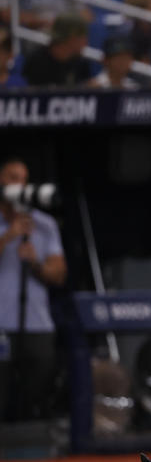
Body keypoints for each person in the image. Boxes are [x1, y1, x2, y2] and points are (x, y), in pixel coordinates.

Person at [0, 157, 67, 421]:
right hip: (1, 325)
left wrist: (37, 264)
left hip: (37, 323)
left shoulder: (44, 224)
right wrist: (9, 236)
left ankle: (34, 452)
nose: (20, 184)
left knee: (37, 390)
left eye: (24, 179)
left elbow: (59, 274)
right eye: (13, 177)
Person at [22, 12, 92, 87]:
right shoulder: (36, 61)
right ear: (71, 38)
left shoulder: (81, 62)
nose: (86, 42)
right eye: (82, 37)